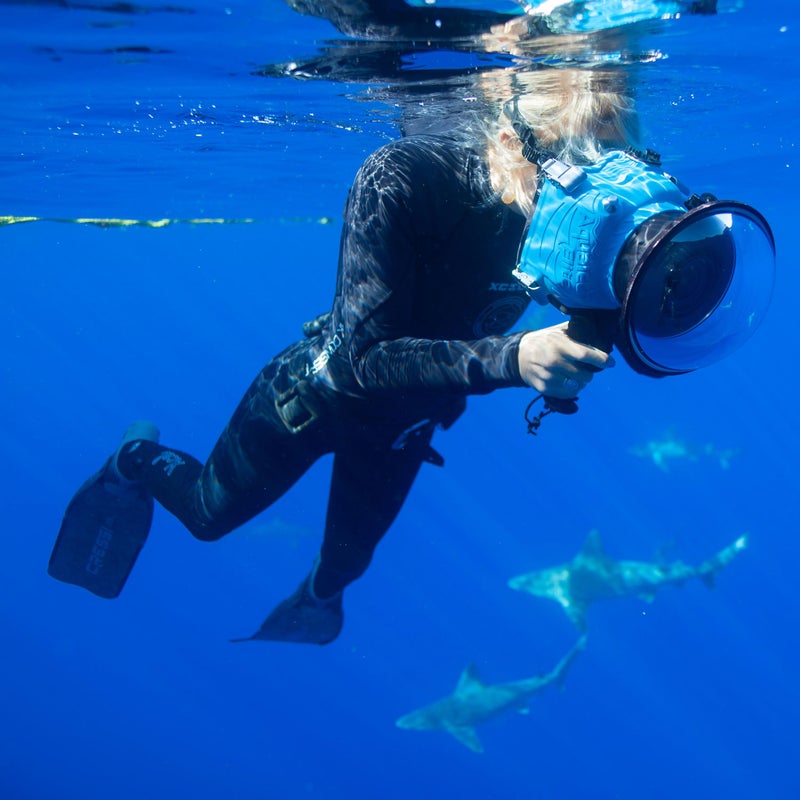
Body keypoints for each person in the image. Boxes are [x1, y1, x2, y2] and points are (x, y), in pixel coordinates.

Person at [50, 63, 774, 644]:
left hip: (407, 426)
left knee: (341, 571)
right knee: (210, 516)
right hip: (318, 396)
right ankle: (132, 461)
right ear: (519, 140)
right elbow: (366, 360)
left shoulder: (588, 231)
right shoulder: (402, 178)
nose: (608, 196)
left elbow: (641, 299)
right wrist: (514, 358)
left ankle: (316, 599)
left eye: (620, 160)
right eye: (583, 162)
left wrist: (676, 258)